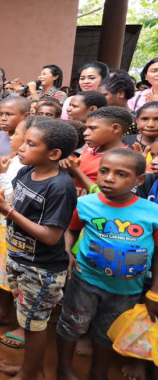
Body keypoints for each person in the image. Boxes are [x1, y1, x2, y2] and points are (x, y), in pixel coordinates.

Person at [0, 119, 79, 380]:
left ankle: (30, 373)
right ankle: (32, 368)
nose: (21, 147)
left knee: (34, 324)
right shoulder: (27, 171)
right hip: (19, 259)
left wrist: (6, 211)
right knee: (27, 319)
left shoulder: (60, 187)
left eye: (31, 144)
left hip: (40, 268)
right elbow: (13, 202)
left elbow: (51, 236)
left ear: (53, 154)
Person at [57, 149, 158, 380]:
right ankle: (63, 369)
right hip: (84, 281)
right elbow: (71, 230)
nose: (109, 178)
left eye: (121, 174)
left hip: (126, 290)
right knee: (71, 325)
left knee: (108, 333)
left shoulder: (153, 213)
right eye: (104, 171)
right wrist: (66, 250)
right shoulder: (85, 203)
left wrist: (155, 290)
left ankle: (98, 372)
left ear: (139, 180)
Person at [61, 106, 133, 197]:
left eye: (92, 128)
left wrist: (76, 171)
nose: (85, 133)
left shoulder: (124, 159)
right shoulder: (89, 149)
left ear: (115, 129)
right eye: (86, 128)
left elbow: (107, 196)